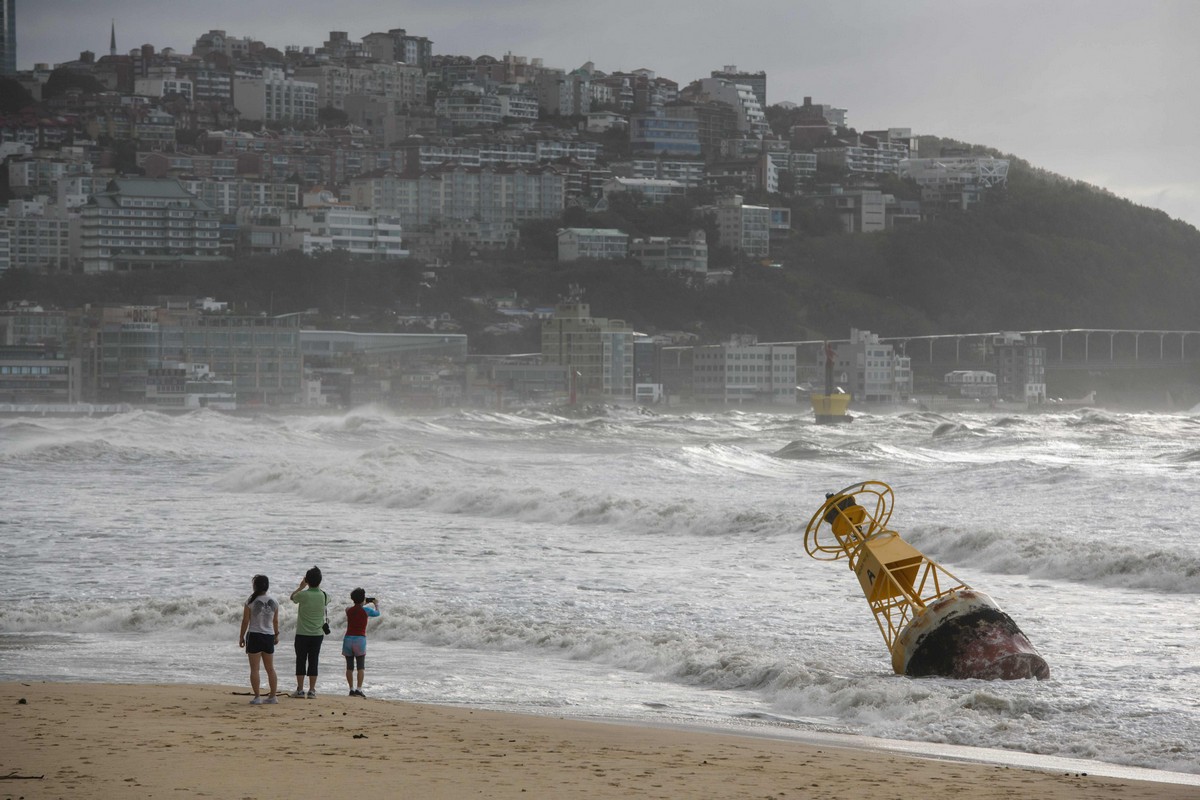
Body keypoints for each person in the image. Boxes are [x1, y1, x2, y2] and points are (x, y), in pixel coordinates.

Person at [238, 574, 279, 705]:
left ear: (255, 586)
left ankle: (257, 696)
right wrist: (276, 635)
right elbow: (275, 621)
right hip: (269, 636)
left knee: (255, 669)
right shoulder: (274, 601)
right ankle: (273, 696)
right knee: (270, 668)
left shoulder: (250, 601)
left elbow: (245, 621)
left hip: (255, 636)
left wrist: (241, 636)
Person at [290, 566, 329, 699]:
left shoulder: (303, 595)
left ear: (306, 580)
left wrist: (301, 587)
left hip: (302, 634)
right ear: (320, 581)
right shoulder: (324, 595)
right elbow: (329, 600)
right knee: (314, 660)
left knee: (300, 660)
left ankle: (300, 690)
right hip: (317, 635)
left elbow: (292, 597)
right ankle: (312, 690)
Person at [342, 588, 381, 697]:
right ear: (363, 598)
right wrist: (376, 604)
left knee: (349, 667)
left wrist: (363, 602)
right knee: (360, 667)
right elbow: (377, 613)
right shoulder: (366, 611)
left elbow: (355, 607)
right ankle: (359, 689)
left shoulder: (348, 610)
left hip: (348, 639)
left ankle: (351, 689)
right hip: (360, 640)